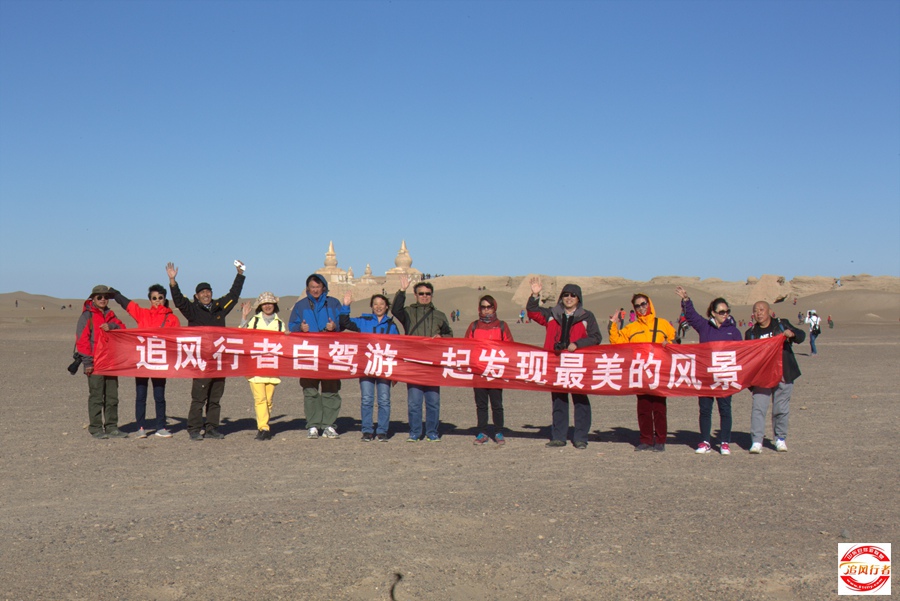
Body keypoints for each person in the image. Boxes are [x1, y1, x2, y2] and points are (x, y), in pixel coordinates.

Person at [168, 261, 245, 441]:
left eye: (208, 291)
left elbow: (233, 295)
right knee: (199, 397)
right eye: (202, 292)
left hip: (218, 360)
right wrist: (172, 281)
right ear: (197, 296)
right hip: (201, 361)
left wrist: (240, 275)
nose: (206, 294)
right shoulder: (192, 310)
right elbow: (179, 301)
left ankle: (212, 428)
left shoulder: (219, 307)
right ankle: (194, 429)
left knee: (215, 397)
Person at [526, 278, 602, 449]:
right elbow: (532, 312)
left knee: (580, 401)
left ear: (578, 298)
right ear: (561, 297)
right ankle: (559, 436)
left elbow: (596, 337)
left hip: (577, 364)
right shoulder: (552, 314)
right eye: (566, 295)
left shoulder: (586, 316)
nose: (569, 298)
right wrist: (535, 295)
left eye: (573, 295)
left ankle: (581, 437)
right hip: (556, 363)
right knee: (559, 400)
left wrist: (578, 344)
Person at [675, 286, 742, 455]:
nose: (725, 314)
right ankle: (705, 441)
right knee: (705, 409)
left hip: (724, 376)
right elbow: (691, 316)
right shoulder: (705, 327)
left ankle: (724, 442)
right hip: (705, 375)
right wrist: (686, 300)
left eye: (727, 311)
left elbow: (742, 352)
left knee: (725, 409)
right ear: (713, 313)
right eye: (721, 312)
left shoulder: (733, 331)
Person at [608, 293, 676, 452]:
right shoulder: (631, 328)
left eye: (643, 304)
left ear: (649, 304)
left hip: (659, 371)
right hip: (640, 372)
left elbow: (674, 341)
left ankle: (660, 440)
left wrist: (669, 343)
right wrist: (613, 325)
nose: (641, 308)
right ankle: (646, 439)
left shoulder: (663, 324)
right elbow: (617, 342)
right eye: (637, 306)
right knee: (644, 408)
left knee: (659, 408)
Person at [111, 284, 180, 438]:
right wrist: (115, 294)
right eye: (154, 298)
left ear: (164, 299)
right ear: (150, 300)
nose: (157, 301)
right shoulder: (143, 314)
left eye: (160, 298)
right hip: (142, 362)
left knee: (159, 396)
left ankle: (161, 427)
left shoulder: (172, 319)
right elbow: (129, 306)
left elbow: (177, 340)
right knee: (141, 396)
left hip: (160, 363)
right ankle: (140, 427)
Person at [391, 275, 453, 442]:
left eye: (427, 293)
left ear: (432, 295)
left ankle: (432, 432)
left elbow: (449, 335)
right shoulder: (409, 313)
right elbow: (395, 310)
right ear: (416, 295)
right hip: (414, 363)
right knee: (414, 402)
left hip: (433, 364)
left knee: (433, 401)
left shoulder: (439, 315)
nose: (425, 296)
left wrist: (442, 337)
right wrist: (402, 291)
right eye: (421, 293)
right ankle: (415, 432)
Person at [288, 274, 346, 440]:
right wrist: (300, 328)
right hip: (309, 353)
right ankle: (313, 424)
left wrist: (335, 326)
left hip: (329, 353)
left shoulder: (333, 303)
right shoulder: (300, 305)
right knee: (310, 391)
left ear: (323, 288)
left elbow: (343, 322)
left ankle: (328, 425)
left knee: (331, 390)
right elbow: (291, 325)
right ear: (308, 288)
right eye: (312, 287)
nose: (315, 290)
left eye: (318, 287)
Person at [745, 301, 805, 453]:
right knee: (758, 408)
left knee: (781, 408)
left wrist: (792, 334)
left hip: (783, 373)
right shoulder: (750, 333)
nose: (759, 313)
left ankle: (780, 439)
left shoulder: (781, 325)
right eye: (755, 310)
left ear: (770, 311)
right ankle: (757, 441)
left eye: (762, 309)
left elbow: (801, 336)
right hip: (761, 376)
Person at [339, 292, 400, 441]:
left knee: (384, 400)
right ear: (371, 306)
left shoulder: (392, 326)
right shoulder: (363, 321)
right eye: (375, 304)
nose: (378, 307)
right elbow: (345, 322)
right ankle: (367, 430)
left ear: (387, 307)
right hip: (366, 366)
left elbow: (399, 346)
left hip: (384, 367)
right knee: (367, 399)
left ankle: (382, 431)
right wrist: (346, 305)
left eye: (382, 304)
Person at [75, 285, 127, 439]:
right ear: (93, 298)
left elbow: (123, 329)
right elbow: (82, 341)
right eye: (99, 297)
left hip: (111, 363)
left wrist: (112, 326)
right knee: (96, 397)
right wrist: (87, 362)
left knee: (112, 397)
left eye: (106, 297)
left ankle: (111, 427)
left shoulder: (111, 315)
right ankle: (96, 428)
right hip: (95, 364)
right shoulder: (87, 316)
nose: (103, 299)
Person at [464, 295, 514, 445]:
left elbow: (510, 346)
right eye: (483, 307)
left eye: (489, 307)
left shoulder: (502, 326)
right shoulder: (474, 326)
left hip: (495, 371)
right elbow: (466, 346)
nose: (486, 310)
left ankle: (498, 431)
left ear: (494, 307)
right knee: (481, 405)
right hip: (478, 371)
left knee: (497, 404)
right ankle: (483, 432)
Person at [239, 292, 285, 441]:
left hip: (272, 367)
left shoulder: (280, 323)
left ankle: (264, 424)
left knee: (268, 400)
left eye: (270, 303)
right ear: (260, 306)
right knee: (260, 399)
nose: (267, 306)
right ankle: (263, 428)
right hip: (256, 367)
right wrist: (244, 317)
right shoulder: (254, 321)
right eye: (264, 304)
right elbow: (242, 335)